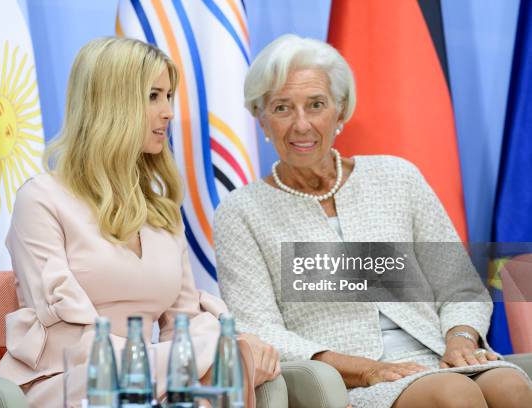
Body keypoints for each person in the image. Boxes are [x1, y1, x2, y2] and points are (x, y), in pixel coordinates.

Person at [214, 34, 532, 408]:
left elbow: (459, 287)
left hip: (438, 356)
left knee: (510, 387)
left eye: (316, 105)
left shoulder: (397, 177)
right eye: (283, 108)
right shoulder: (241, 211)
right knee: (454, 396)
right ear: (261, 118)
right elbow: (257, 328)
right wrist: (362, 369)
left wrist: (461, 338)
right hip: (347, 381)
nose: (301, 125)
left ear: (340, 110)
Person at [0, 37, 281, 407]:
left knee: (204, 388)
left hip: (152, 380)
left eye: (169, 96)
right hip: (69, 381)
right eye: (153, 96)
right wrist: (206, 350)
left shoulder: (161, 211)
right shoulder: (40, 200)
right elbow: (68, 339)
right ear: (110, 102)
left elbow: (185, 320)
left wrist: (210, 346)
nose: (169, 112)